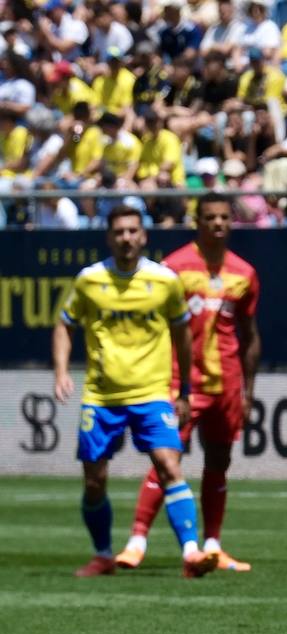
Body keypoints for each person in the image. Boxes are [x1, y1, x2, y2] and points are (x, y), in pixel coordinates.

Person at [51, 205, 220, 579]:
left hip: (151, 393)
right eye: (119, 232)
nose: (126, 238)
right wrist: (62, 371)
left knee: (169, 465)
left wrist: (185, 389)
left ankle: (192, 554)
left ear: (144, 236)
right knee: (95, 481)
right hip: (102, 396)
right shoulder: (89, 281)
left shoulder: (164, 281)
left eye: (133, 231)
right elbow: (64, 324)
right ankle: (103, 555)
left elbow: (182, 334)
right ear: (109, 237)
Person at [114, 193, 261, 573]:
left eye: (224, 218)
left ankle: (213, 545)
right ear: (197, 222)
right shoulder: (174, 268)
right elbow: (155, 327)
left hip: (225, 383)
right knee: (167, 459)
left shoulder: (243, 273)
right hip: (181, 382)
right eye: (210, 218)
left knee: (219, 461)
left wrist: (248, 391)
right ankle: (136, 541)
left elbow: (249, 334)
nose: (218, 224)